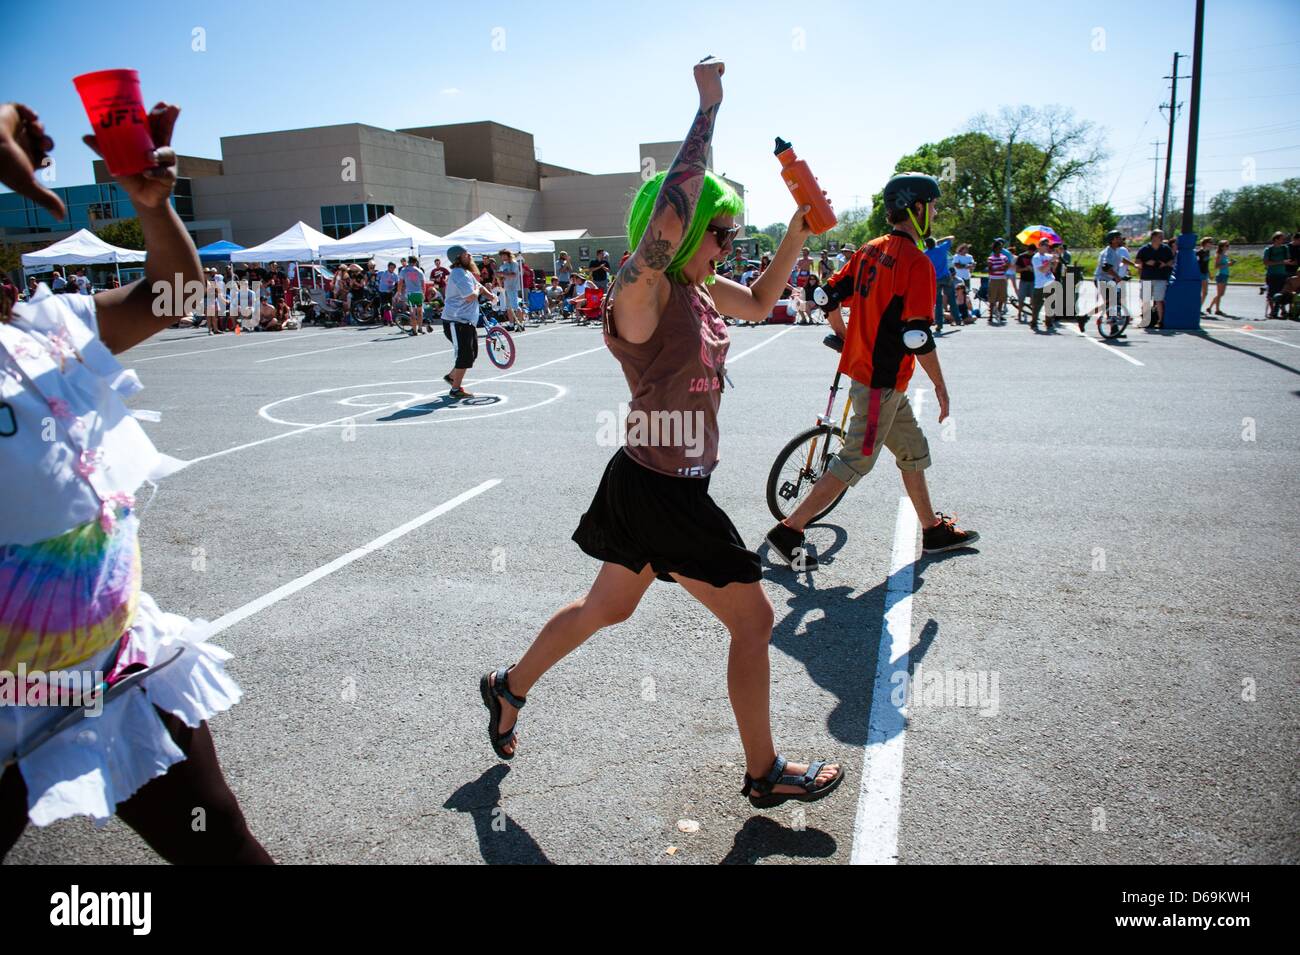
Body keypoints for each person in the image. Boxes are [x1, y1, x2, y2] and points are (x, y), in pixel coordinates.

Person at [479, 58, 846, 810]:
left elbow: (766, 299)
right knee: (755, 618)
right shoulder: (640, 294)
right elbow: (669, 215)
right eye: (719, 231)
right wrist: (708, 109)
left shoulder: (698, 288)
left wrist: (801, 230)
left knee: (602, 609)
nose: (725, 245)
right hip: (662, 492)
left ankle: (506, 686)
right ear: (677, 231)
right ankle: (764, 770)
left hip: (651, 482)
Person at [0, 99, 270, 863]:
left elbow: (178, 296)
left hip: (114, 669)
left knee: (223, 844)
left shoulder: (41, 333)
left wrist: (152, 208)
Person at [766, 170, 979, 569]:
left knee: (912, 451)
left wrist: (844, 335)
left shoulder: (869, 249)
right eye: (931, 205)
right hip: (880, 383)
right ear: (916, 208)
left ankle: (932, 530)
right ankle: (789, 530)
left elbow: (827, 293)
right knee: (855, 461)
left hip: (883, 383)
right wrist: (941, 386)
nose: (934, 212)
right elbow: (916, 337)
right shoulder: (916, 264)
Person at [440, 245, 489, 400]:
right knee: (465, 354)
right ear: (458, 258)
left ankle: (452, 376)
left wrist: (490, 295)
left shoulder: (466, 273)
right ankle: (455, 390)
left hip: (466, 321)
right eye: (466, 255)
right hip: (456, 321)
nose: (470, 257)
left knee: (471, 354)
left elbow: (479, 286)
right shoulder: (458, 274)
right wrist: (476, 292)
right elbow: (470, 296)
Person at [1095, 229, 1135, 336]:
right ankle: (1113, 327)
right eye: (1118, 238)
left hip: (1110, 280)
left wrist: (1134, 265)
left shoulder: (1115, 251)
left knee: (1111, 303)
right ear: (1112, 240)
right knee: (1111, 303)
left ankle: (1114, 329)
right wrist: (1117, 276)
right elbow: (1106, 267)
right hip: (1104, 280)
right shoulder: (1108, 253)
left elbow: (1122, 259)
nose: (1121, 239)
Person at [1134, 229, 1174, 328]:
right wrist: (1145, 263)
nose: (1162, 238)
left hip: (1161, 278)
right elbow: (1137, 261)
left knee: (1159, 300)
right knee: (1146, 300)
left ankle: (1160, 321)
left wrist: (1164, 264)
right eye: (1160, 236)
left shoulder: (1166, 249)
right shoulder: (1144, 249)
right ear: (1153, 237)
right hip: (1146, 277)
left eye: (1162, 236)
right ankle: (1146, 320)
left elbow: (1172, 261)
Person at [924, 233, 956, 331]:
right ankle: (956, 318)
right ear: (935, 243)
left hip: (934, 279)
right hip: (945, 277)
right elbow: (952, 237)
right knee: (951, 298)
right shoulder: (941, 249)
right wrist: (940, 240)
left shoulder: (925, 254)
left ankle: (939, 324)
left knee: (938, 303)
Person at [1030, 238, 1058, 331]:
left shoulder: (1048, 256)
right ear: (1040, 246)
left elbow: (1053, 269)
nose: (1047, 247)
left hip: (1050, 282)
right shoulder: (1036, 257)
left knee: (1050, 304)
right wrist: (1051, 262)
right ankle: (1033, 322)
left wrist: (1056, 259)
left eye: (1047, 245)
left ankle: (1048, 322)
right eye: (1045, 245)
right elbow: (1042, 270)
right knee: (1037, 305)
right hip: (1040, 284)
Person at [496, 248, 526, 332]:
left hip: (513, 287)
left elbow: (513, 275)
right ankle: (511, 324)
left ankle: (521, 324)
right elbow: (502, 277)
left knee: (515, 306)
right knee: (508, 308)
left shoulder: (514, 264)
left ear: (508, 255)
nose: (503, 257)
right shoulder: (504, 265)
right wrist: (499, 278)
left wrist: (501, 274)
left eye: (504, 255)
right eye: (501, 256)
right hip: (506, 287)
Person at [1263, 231, 1291, 319]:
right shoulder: (1269, 250)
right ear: (1276, 239)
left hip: (1282, 273)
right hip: (1272, 274)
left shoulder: (1285, 248)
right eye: (1281, 238)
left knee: (1282, 292)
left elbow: (1287, 259)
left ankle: (1282, 310)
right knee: (1271, 293)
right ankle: (1272, 311)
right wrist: (1280, 262)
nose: (1283, 240)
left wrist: (1288, 262)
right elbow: (1266, 262)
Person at [399, 255, 427, 335]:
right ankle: (420, 328)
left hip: (410, 294)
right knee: (419, 312)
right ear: (415, 262)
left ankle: (414, 331)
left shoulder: (404, 270)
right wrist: (423, 294)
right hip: (418, 293)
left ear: (408, 261)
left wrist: (398, 292)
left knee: (412, 313)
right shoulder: (419, 271)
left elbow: (400, 282)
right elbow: (423, 284)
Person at [985, 239, 1011, 321]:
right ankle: (991, 316)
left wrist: (1006, 266)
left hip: (1002, 278)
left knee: (1002, 298)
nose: (1001, 249)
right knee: (992, 298)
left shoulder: (1004, 257)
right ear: (995, 248)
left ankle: (999, 313)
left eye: (1001, 248)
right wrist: (1000, 267)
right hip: (994, 279)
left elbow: (1007, 266)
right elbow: (989, 270)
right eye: (999, 248)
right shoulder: (990, 258)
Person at [1207, 240, 1234, 316]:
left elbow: (1226, 264)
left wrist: (1230, 264)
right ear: (1222, 247)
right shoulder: (1219, 255)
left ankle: (1210, 307)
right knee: (1219, 294)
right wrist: (1228, 264)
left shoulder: (1225, 255)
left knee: (1221, 294)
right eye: (1226, 245)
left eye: (1228, 245)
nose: (1228, 247)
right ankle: (1217, 309)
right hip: (1221, 274)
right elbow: (1216, 266)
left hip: (1225, 274)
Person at [1013, 245, 1034, 322]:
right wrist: (1025, 268)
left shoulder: (1036, 257)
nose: (1031, 253)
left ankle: (1034, 316)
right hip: (1024, 280)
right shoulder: (1021, 256)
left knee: (1034, 299)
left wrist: (1033, 270)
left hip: (1033, 280)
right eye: (1030, 251)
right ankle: (1019, 314)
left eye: (1033, 252)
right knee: (1021, 298)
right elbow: (1017, 270)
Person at [1196, 236, 1214, 312]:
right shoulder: (1199, 252)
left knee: (1205, 292)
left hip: (1205, 273)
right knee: (1198, 292)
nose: (1211, 244)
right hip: (1199, 273)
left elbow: (1206, 264)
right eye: (1210, 242)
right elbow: (1196, 264)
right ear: (1206, 243)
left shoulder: (1207, 252)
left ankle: (1199, 307)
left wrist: (1209, 274)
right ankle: (1196, 308)